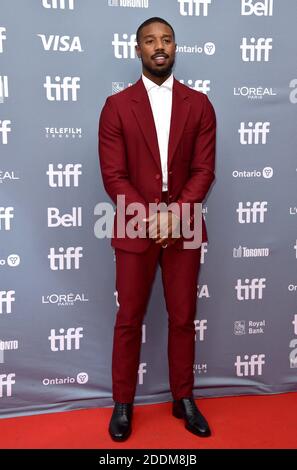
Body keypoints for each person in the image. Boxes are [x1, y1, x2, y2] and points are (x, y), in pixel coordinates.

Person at [98, 17, 216, 442]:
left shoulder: (199, 104)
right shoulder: (116, 107)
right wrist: (153, 218)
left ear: (175, 47)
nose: (159, 46)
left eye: (166, 39)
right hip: (136, 225)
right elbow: (114, 176)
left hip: (183, 224)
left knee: (183, 317)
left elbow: (204, 170)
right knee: (129, 318)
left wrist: (177, 214)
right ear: (138, 50)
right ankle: (123, 404)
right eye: (150, 41)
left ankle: (183, 399)